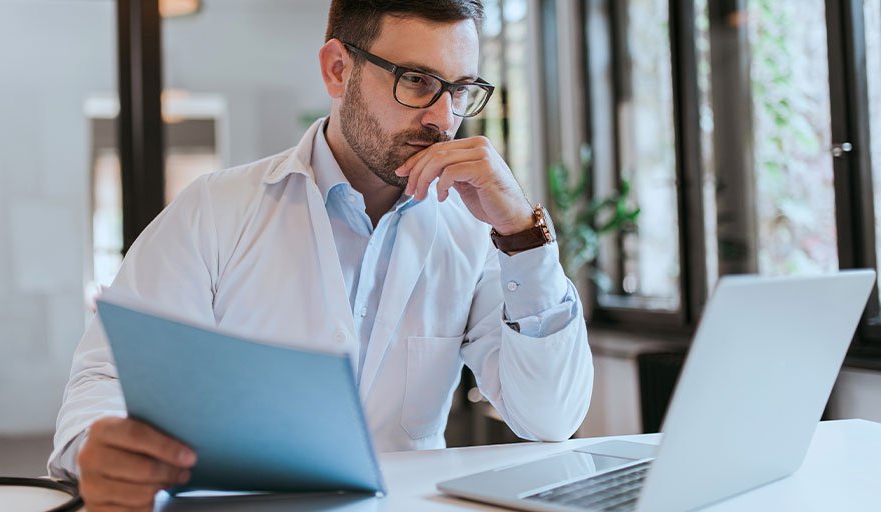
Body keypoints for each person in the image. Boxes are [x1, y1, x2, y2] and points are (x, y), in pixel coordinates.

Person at [48, 1, 593, 510]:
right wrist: (100, 447)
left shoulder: (476, 234)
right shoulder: (214, 211)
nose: (443, 118)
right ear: (337, 69)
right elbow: (105, 379)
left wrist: (522, 233)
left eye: (460, 89)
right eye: (418, 82)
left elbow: (549, 418)